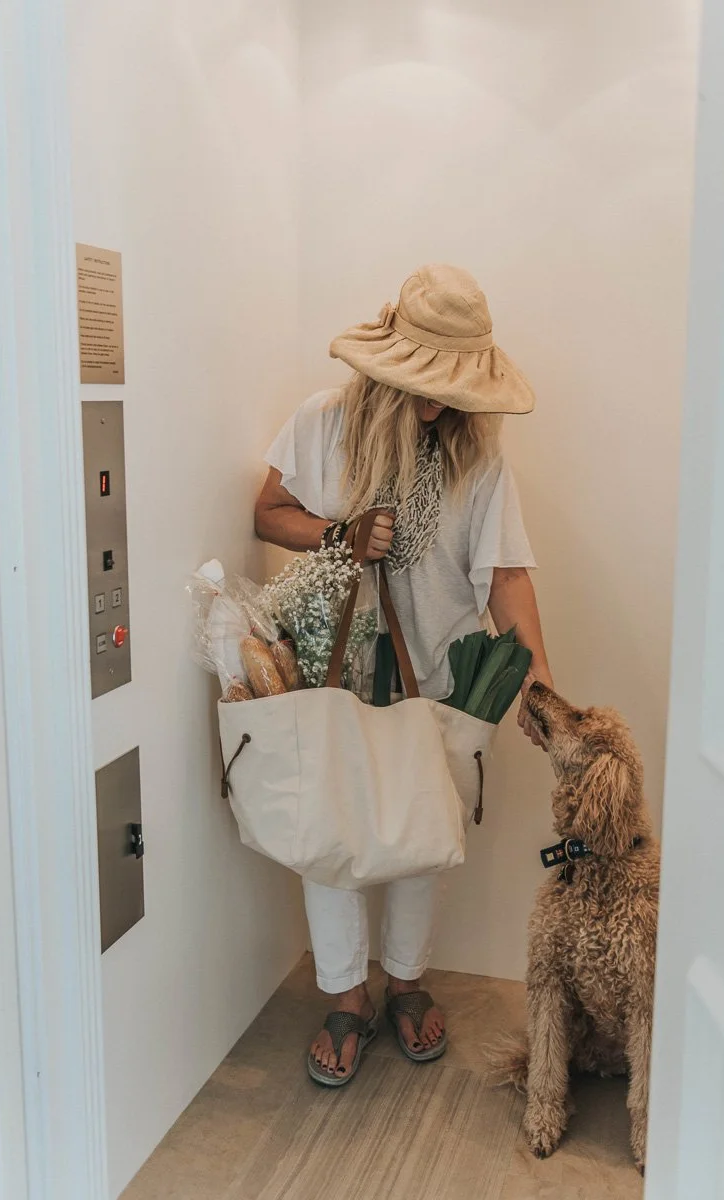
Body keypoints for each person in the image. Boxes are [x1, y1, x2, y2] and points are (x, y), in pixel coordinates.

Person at [255, 264, 552, 1086]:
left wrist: (539, 689)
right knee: (333, 834)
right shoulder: (321, 422)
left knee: (423, 837)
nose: (435, 404)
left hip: (439, 675)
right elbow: (267, 512)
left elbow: (505, 575)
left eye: (449, 388)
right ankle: (347, 997)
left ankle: (407, 985)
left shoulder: (477, 458)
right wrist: (338, 535)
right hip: (335, 670)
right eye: (423, 384)